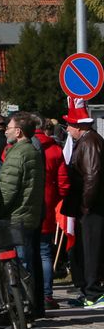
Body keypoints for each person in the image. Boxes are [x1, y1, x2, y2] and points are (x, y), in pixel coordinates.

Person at [0, 112, 45, 309]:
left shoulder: (18, 153)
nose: (5, 130)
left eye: (8, 127)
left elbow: (7, 190)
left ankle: (21, 307)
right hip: (29, 214)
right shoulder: (32, 150)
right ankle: (28, 305)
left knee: (19, 265)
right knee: (26, 262)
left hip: (16, 216)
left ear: (18, 131)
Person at [66, 109, 104, 309]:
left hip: (92, 208)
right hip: (89, 206)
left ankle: (94, 293)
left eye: (70, 125)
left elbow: (92, 175)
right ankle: (89, 290)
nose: (68, 129)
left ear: (79, 126)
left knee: (91, 250)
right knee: (84, 249)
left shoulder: (89, 142)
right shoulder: (88, 141)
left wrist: (86, 204)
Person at [36, 119, 70, 311]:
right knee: (44, 252)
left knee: (25, 253)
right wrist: (58, 197)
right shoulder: (55, 150)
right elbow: (64, 182)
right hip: (48, 206)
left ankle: (28, 296)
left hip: (24, 209)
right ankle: (47, 295)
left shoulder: (14, 149)